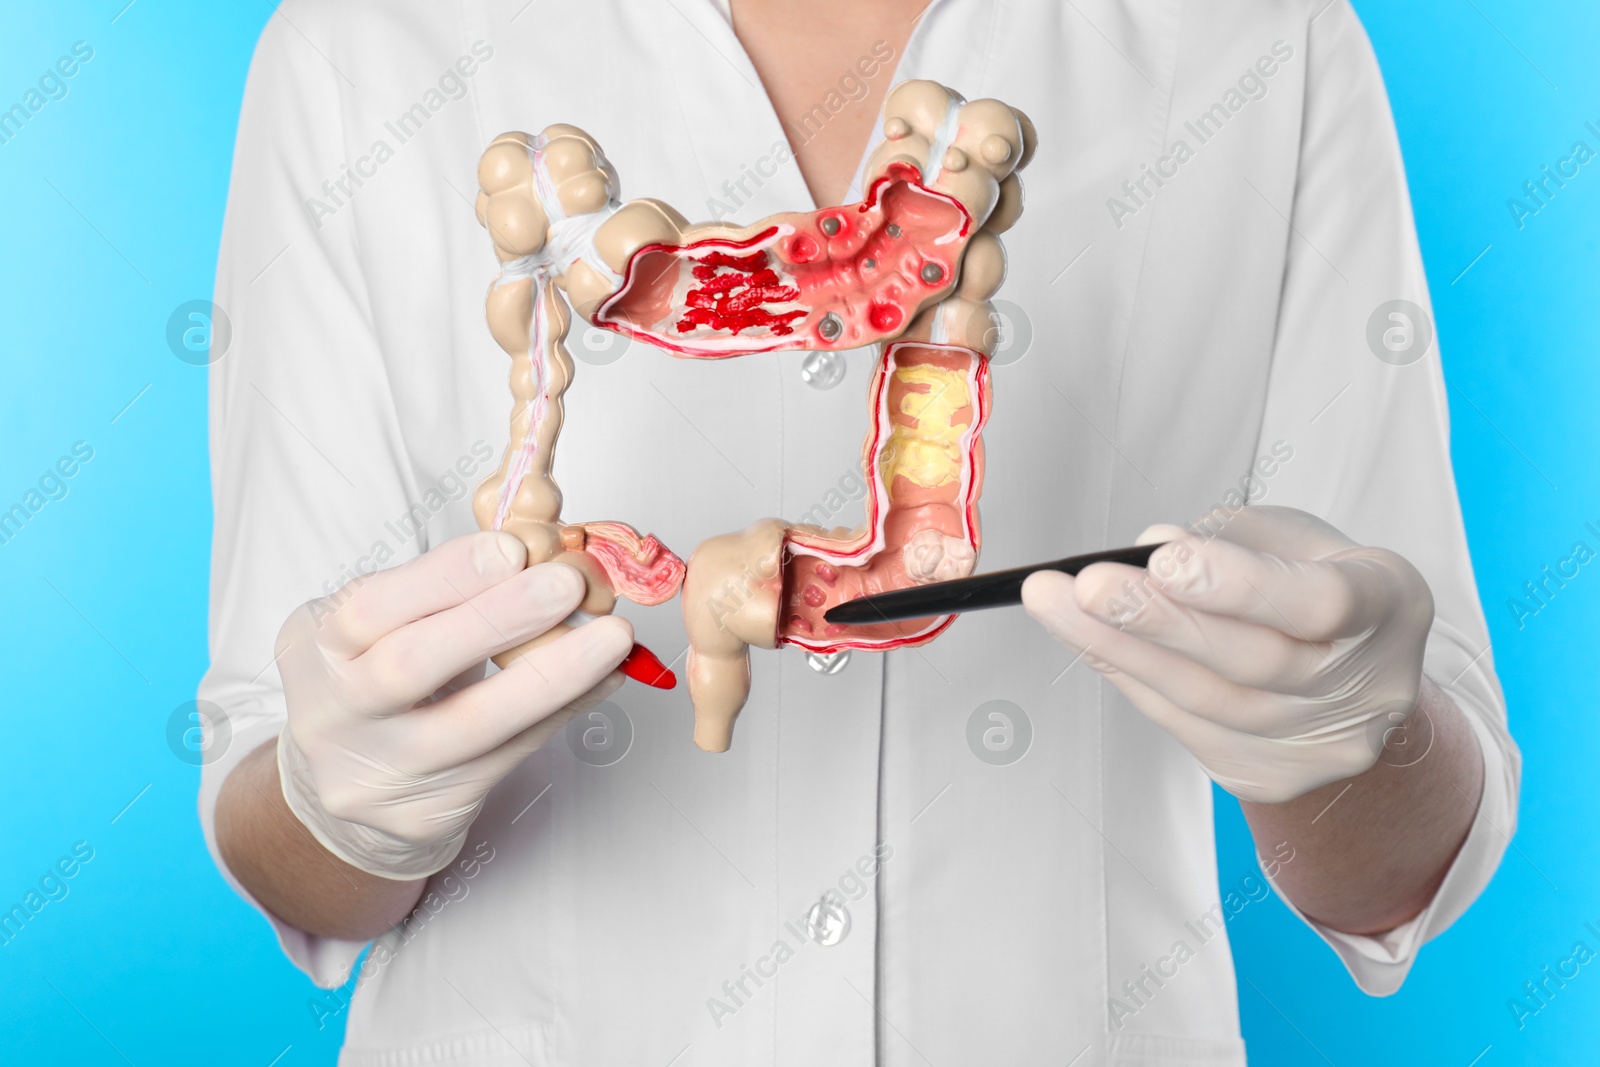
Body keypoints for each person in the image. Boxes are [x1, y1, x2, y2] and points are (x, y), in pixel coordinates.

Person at [201, 0, 1518, 1063]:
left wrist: (1353, 736)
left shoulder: (1261, 40)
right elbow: (281, 832)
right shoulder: (362, 49)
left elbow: (1411, 865)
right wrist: (347, 804)